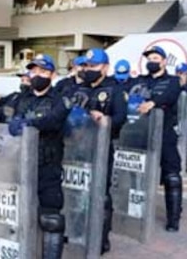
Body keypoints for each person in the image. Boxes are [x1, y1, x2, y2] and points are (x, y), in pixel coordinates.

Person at [0, 54, 69, 259]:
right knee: (16, 213)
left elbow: (54, 120)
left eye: (43, 71)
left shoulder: (59, 99)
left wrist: (29, 124)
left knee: (51, 219)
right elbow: (3, 111)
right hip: (17, 164)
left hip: (46, 165)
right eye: (33, 71)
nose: (37, 75)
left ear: (52, 75)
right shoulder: (21, 98)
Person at [62, 48, 126, 253]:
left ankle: (101, 238)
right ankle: (75, 230)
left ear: (105, 68)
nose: (89, 70)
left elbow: (121, 117)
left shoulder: (114, 90)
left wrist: (104, 119)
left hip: (100, 148)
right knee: (74, 190)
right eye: (87, 66)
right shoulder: (78, 89)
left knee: (100, 193)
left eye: (94, 66)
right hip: (75, 147)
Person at [128, 46, 184, 232]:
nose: (152, 61)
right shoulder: (139, 80)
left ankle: (173, 218)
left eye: (155, 58)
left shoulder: (173, 81)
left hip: (165, 133)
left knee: (172, 176)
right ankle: (135, 213)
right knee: (135, 174)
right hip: (140, 132)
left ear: (164, 61)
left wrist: (153, 103)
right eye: (149, 58)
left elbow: (170, 95)